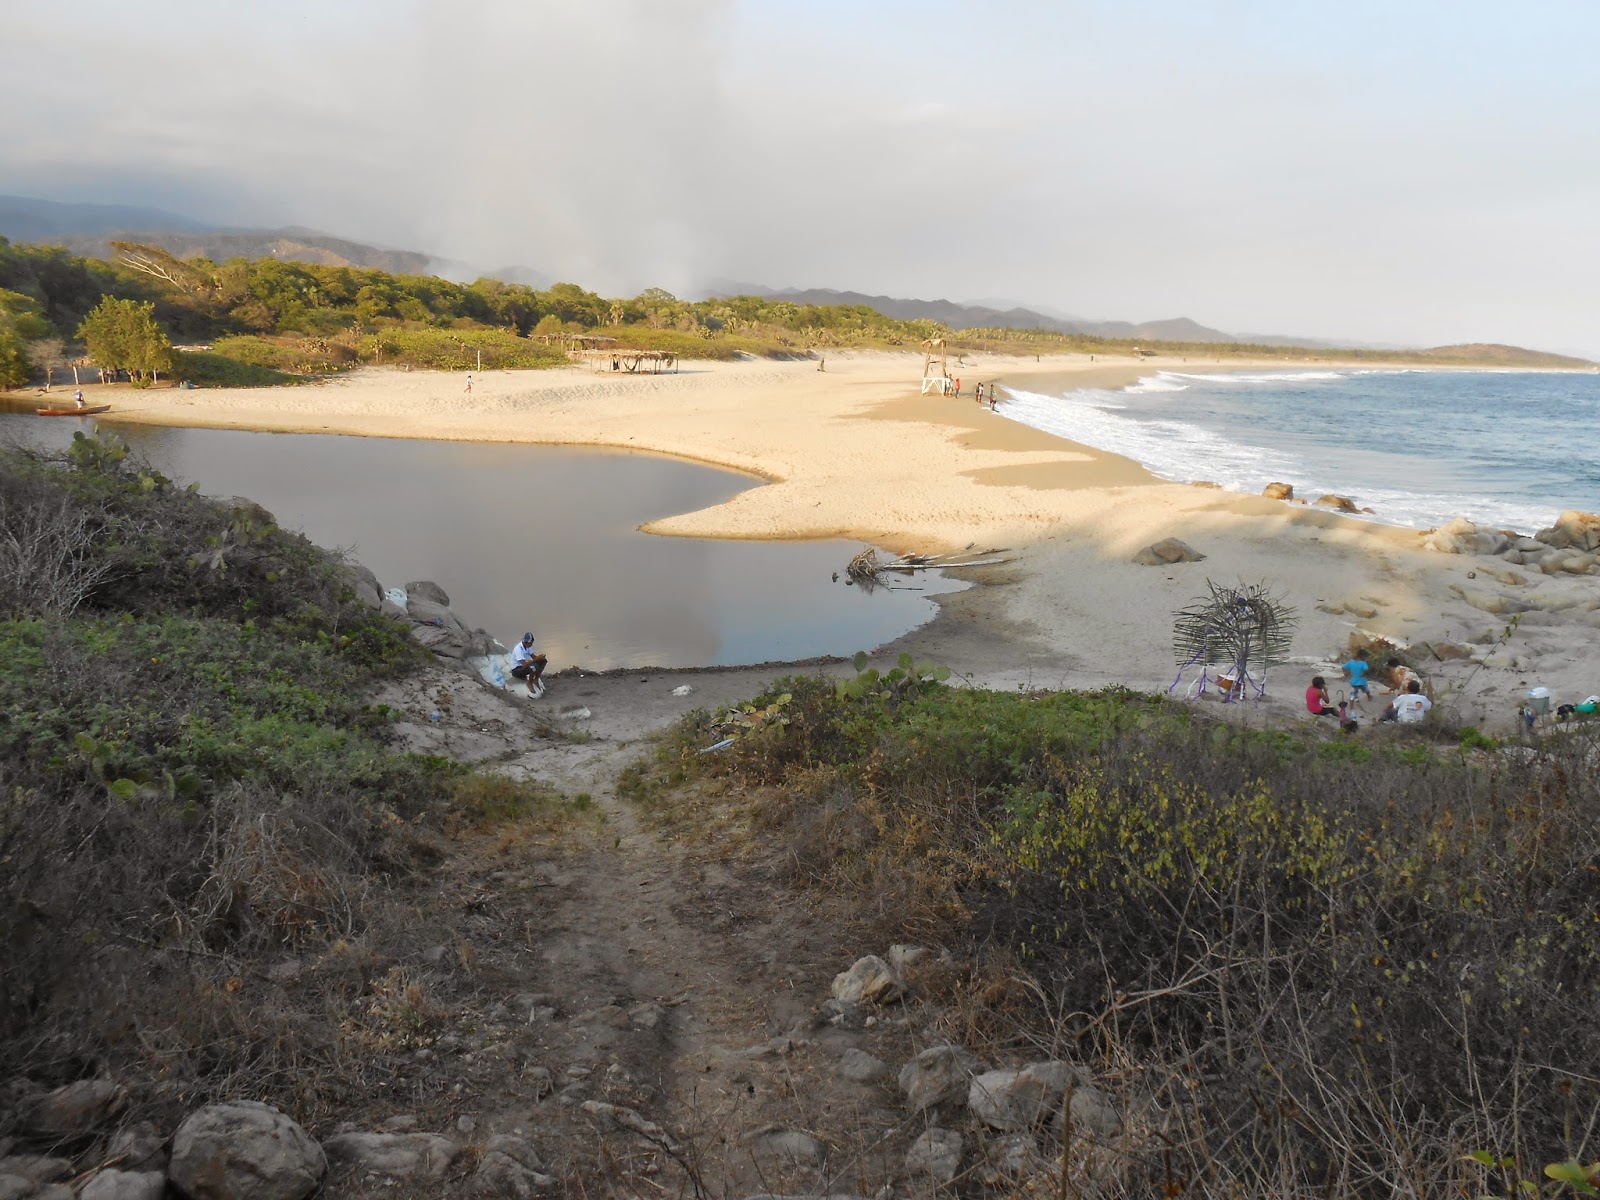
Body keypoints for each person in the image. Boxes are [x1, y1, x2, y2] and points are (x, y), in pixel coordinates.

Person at [509, 632, 548, 696]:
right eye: (531, 643)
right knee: (533, 667)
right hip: (517, 670)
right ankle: (529, 683)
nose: (532, 645)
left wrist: (540, 657)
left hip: (522, 667)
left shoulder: (527, 647)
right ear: (526, 642)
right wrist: (536, 659)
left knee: (543, 661)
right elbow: (524, 664)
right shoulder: (518, 649)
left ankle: (536, 679)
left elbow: (534, 657)